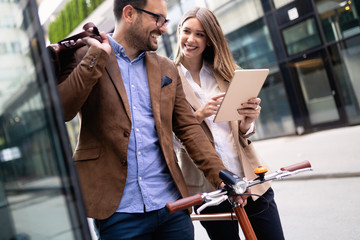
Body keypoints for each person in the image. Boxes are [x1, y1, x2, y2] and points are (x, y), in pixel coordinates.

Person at [55, 1, 247, 239]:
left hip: (172, 208)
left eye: (165, 21)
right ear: (129, 14)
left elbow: (188, 128)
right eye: (158, 19)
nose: (164, 28)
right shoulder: (86, 55)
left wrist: (221, 176)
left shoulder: (166, 68)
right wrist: (96, 57)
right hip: (118, 213)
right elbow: (61, 111)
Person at [173, 7, 285, 240]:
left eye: (200, 34)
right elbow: (169, 139)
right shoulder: (168, 80)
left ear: (209, 40)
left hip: (250, 179)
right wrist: (198, 115)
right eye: (187, 31)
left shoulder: (227, 73)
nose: (191, 39)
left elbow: (243, 133)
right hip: (208, 188)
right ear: (178, 32)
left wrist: (248, 121)